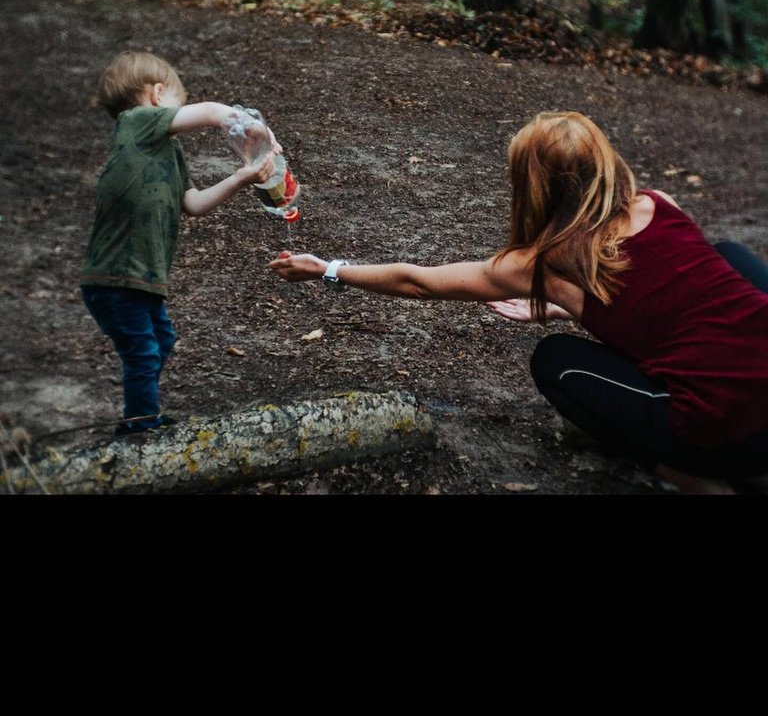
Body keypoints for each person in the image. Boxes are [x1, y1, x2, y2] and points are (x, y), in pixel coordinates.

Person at [269, 110, 768, 494]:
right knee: (728, 257)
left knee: (557, 360)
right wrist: (566, 305)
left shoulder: (542, 263)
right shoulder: (656, 203)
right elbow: (678, 292)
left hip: (731, 435)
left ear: (533, 186)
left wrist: (328, 269)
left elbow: (418, 282)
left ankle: (690, 477)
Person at [81, 51, 278, 435]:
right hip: (115, 278)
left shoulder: (168, 151)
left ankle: (142, 415)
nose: (179, 115)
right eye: (177, 103)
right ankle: (140, 428)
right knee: (143, 352)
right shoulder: (133, 124)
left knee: (159, 341)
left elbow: (193, 203)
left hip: (140, 279)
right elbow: (209, 113)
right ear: (157, 95)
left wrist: (243, 177)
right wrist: (249, 125)